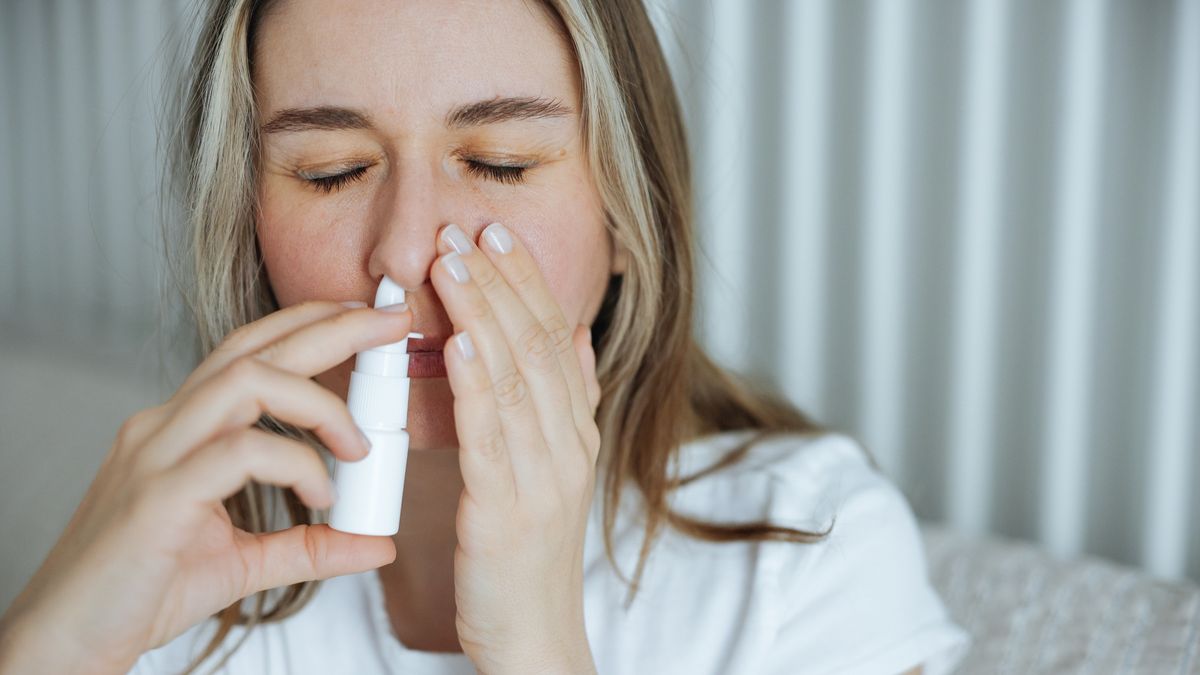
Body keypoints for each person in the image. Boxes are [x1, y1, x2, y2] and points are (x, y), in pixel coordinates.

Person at [0, 0, 970, 673]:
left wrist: (538, 650)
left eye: (499, 164)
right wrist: (50, 650)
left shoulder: (809, 557)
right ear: (247, 224)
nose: (409, 250)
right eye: (332, 170)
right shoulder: (188, 555)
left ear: (630, 221)